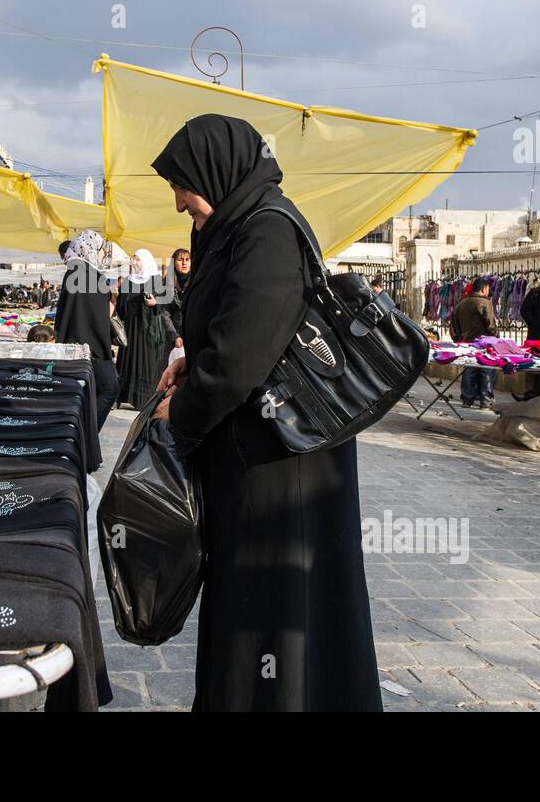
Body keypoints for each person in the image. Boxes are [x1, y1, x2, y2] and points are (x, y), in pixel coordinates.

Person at [150, 114, 381, 712]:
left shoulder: (266, 231)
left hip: (282, 466)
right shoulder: (233, 226)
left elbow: (241, 355)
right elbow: (223, 333)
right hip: (255, 455)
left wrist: (181, 416)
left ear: (217, 172)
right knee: (252, 601)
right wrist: (187, 361)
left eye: (182, 184)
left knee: (275, 605)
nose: (178, 202)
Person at [55, 229, 119, 430]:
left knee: (86, 394)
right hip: (91, 347)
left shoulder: (74, 272)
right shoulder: (89, 275)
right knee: (109, 389)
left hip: (75, 346)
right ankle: (85, 435)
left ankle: (81, 436)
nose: (101, 254)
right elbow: (95, 318)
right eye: (100, 249)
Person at [115, 248, 177, 407]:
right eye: (133, 259)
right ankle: (123, 396)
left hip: (148, 332)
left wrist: (154, 304)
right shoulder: (128, 281)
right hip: (130, 329)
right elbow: (121, 307)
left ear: (146, 261)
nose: (135, 262)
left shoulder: (155, 280)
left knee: (145, 363)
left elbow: (164, 307)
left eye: (138, 259)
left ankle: (143, 400)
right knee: (127, 363)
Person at [451, 277, 499, 409]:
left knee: (469, 370)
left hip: (467, 343)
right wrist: (496, 339)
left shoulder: (461, 304)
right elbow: (491, 325)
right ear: (484, 289)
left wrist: (461, 340)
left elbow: (455, 326)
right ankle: (486, 400)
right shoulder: (484, 303)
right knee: (487, 370)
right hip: (484, 343)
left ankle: (467, 400)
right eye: (488, 289)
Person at [168, 247, 191, 335]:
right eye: (180, 260)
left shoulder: (196, 281)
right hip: (174, 332)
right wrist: (174, 336)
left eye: (187, 259)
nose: (184, 263)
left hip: (193, 330)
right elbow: (165, 313)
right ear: (174, 263)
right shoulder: (167, 284)